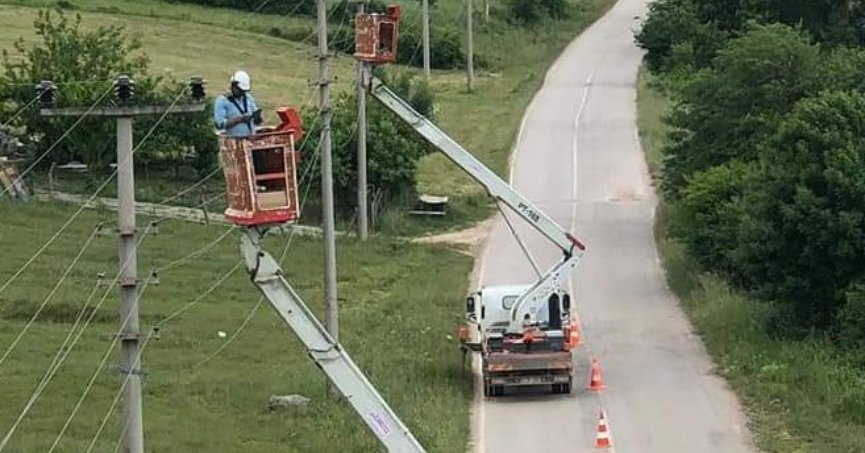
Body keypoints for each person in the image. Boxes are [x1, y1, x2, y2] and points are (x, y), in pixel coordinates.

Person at [213, 70, 263, 138]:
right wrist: (240, 119)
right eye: (240, 90)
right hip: (233, 142)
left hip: (251, 140)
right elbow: (220, 125)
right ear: (233, 85)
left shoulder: (248, 98)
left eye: (244, 91)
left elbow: (257, 121)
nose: (242, 93)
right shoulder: (222, 101)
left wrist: (257, 118)